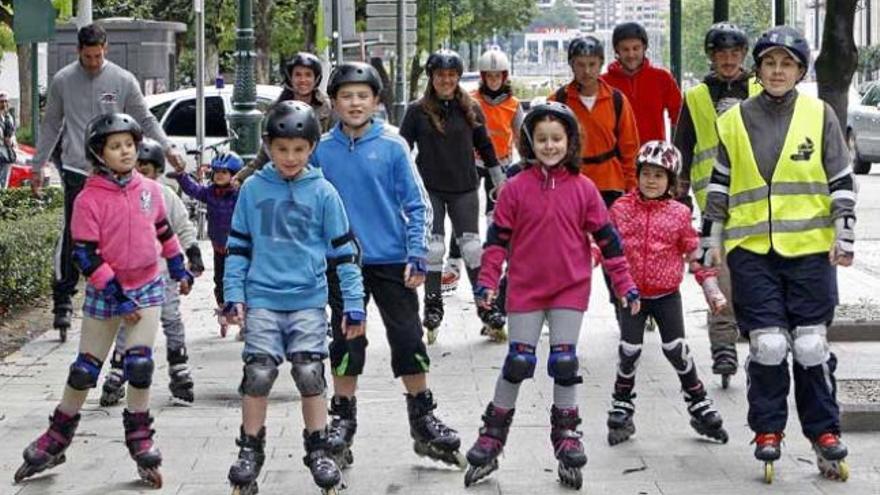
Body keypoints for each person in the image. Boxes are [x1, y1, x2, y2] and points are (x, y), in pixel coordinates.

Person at [699, 25, 857, 483]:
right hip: (752, 251)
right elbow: (719, 188)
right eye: (769, 63)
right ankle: (767, 428)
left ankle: (824, 431)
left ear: (800, 70)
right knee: (768, 346)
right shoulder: (733, 121)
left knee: (810, 346)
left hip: (809, 250)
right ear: (758, 68)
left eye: (787, 64)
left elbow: (841, 178)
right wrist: (710, 243)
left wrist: (844, 235)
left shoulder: (819, 113)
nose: (777, 71)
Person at [463, 102, 640, 490]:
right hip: (525, 288)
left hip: (569, 288)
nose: (549, 146)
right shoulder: (514, 189)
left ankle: (567, 431)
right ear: (529, 142)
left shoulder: (584, 189)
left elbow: (609, 242)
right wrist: (487, 281)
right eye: (541, 139)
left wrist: (624, 283)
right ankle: (493, 433)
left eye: (556, 139)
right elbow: (497, 242)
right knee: (518, 362)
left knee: (564, 361)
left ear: (570, 141)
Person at [13, 113, 194, 488]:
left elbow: (163, 230)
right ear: (99, 153)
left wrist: (178, 266)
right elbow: (86, 256)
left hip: (146, 287)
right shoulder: (89, 199)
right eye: (116, 146)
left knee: (139, 366)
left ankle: (140, 438)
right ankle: (58, 436)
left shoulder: (149, 189)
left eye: (129, 144)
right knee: (85, 370)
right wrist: (117, 296)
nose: (126, 152)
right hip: (106, 292)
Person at [314, 62, 465, 472]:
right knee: (346, 340)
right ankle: (342, 418)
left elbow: (417, 205)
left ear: (376, 101)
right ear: (333, 102)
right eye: (346, 96)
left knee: (408, 337)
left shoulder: (393, 145)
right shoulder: (322, 150)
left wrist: (418, 254)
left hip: (393, 262)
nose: (355, 102)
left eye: (363, 95)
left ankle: (422, 417)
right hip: (342, 264)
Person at [223, 100, 362, 495]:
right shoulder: (252, 189)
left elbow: (345, 254)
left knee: (308, 372)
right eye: (281, 149)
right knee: (259, 372)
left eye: (299, 149)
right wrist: (233, 295)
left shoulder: (323, 192)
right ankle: (250, 449)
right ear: (267, 145)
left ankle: (318, 448)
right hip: (263, 297)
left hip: (307, 300)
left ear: (312, 148)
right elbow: (237, 247)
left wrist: (353, 302)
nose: (289, 157)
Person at [29, 24, 184, 338]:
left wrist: (167, 149)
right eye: (88, 57)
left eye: (98, 56)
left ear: (106, 49)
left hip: (118, 174)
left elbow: (145, 118)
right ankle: (63, 300)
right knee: (76, 237)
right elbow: (51, 126)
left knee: (126, 229)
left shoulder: (123, 80)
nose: (93, 62)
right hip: (79, 170)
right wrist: (37, 165)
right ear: (78, 52)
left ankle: (123, 285)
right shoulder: (63, 81)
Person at [604, 140, 729, 446]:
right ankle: (622, 404)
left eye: (659, 176)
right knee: (629, 351)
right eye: (646, 173)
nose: (651, 180)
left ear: (670, 181)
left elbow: (694, 251)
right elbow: (605, 243)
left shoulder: (678, 214)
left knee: (676, 348)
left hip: (666, 295)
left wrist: (711, 288)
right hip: (632, 296)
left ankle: (698, 401)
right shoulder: (620, 209)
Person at [674, 22, 762, 387]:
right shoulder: (695, 97)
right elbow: (683, 145)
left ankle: (759, 339)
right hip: (713, 199)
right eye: (721, 54)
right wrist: (678, 196)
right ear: (711, 57)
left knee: (756, 273)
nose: (728, 60)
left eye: (734, 54)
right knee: (719, 272)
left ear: (743, 55)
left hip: (759, 197)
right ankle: (723, 343)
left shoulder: (761, 88)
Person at [399, 49, 507, 344]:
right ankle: (433, 306)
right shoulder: (417, 111)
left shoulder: (470, 108)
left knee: (472, 248)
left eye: (451, 75)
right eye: (440, 75)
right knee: (433, 248)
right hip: (430, 187)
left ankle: (487, 307)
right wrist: (395, 185)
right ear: (431, 78)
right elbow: (401, 150)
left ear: (458, 77)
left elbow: (485, 147)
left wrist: (499, 179)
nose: (446, 80)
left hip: (464, 187)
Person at [99, 138, 205, 407]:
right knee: (130, 322)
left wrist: (192, 253)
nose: (140, 175)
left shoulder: (165, 195)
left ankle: (178, 367)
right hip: (131, 275)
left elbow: (183, 226)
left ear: (157, 171)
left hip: (165, 273)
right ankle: (118, 370)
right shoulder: (118, 195)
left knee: (171, 319)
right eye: (136, 168)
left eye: (146, 170)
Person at [442, 47, 523, 310]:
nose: (493, 80)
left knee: (494, 216)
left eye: (498, 76)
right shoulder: (471, 99)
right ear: (483, 76)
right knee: (462, 213)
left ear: (505, 76)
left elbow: (521, 137)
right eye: (489, 76)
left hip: (500, 165)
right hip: (472, 162)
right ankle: (453, 263)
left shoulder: (513, 105)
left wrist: (526, 164)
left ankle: (492, 263)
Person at [549, 36, 639, 208]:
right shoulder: (558, 101)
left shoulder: (617, 100)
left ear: (601, 64)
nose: (587, 71)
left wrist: (632, 188)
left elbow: (629, 149)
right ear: (571, 65)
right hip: (570, 182)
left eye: (592, 64)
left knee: (608, 233)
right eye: (580, 65)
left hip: (610, 183)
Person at [233, 52, 334, 184]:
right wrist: (241, 177)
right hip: (282, 178)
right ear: (290, 78)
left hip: (316, 178)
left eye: (308, 75)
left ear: (316, 78)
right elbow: (266, 152)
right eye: (298, 74)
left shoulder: (327, 108)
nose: (303, 80)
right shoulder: (277, 109)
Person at [169, 150, 240, 337]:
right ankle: (224, 310)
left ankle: (243, 317)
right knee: (220, 282)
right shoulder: (210, 193)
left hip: (238, 249)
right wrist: (181, 176)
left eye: (224, 173)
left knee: (240, 282)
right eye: (216, 172)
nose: (219, 176)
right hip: (219, 247)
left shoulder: (239, 195)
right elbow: (193, 189)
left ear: (234, 175)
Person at [602, 21, 682, 143]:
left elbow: (679, 116)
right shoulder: (603, 83)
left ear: (644, 48)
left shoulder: (662, 78)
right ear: (617, 51)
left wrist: (674, 148)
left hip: (652, 157)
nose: (631, 54)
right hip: (616, 158)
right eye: (625, 49)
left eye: (636, 48)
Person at [0, 91, 16, 187]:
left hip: (7, 152)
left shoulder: (9, 117)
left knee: (4, 182)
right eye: (2, 101)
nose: (4, 104)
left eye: (6, 101)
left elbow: (13, 134)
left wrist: (12, 143)